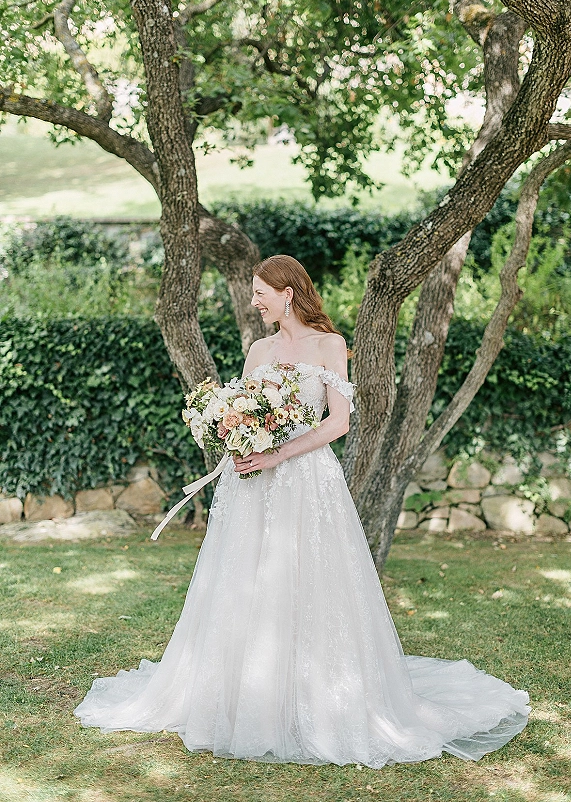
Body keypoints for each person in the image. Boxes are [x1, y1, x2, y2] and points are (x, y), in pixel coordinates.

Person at [74, 254, 530, 768]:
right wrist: (237, 441)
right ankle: (247, 697)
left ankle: (320, 696)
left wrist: (278, 452)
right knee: (245, 579)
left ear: (287, 292)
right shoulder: (258, 349)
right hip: (254, 487)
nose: (254, 301)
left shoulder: (329, 345)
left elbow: (338, 422)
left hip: (308, 481)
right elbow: (244, 408)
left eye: (260, 292)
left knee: (311, 580)